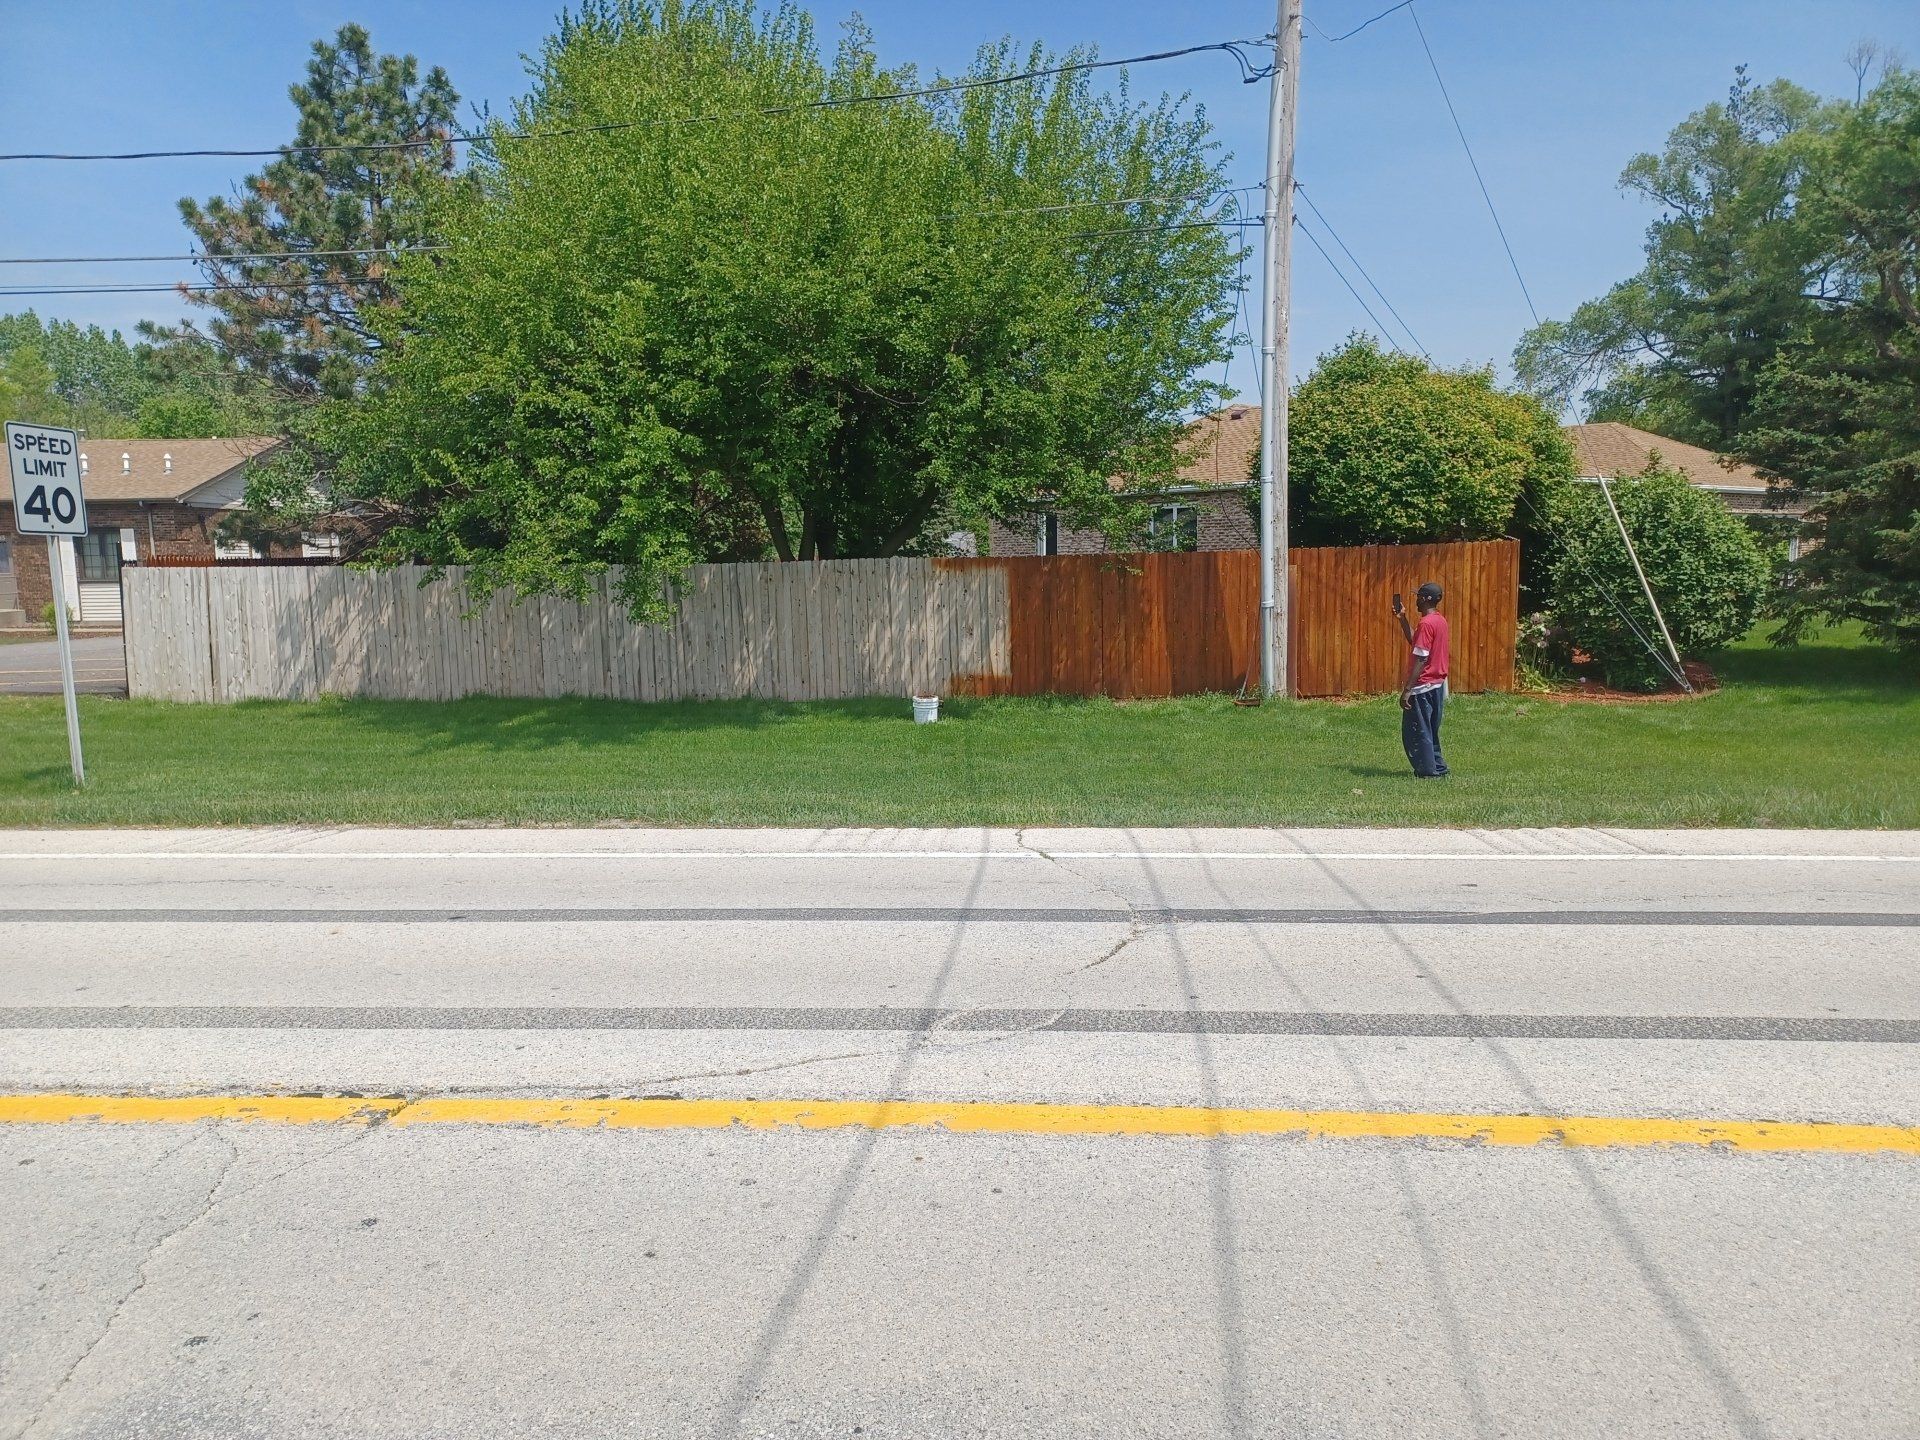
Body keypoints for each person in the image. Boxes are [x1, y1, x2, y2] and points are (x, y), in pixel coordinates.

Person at [1393, 582, 1449, 778]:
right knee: (1430, 730)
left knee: (1417, 732)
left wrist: (1408, 689)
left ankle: (1428, 772)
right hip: (1437, 685)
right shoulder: (1439, 620)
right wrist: (1402, 619)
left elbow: (1421, 657)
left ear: (1425, 599)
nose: (1416, 599)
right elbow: (1416, 643)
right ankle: (1439, 767)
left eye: (1418, 596)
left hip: (1423, 685)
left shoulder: (1426, 624)